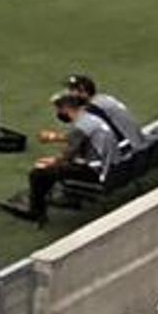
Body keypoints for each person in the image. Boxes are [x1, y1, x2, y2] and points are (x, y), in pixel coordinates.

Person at [30, 87, 123, 221]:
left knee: (38, 172)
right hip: (114, 167)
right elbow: (78, 140)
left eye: (59, 109)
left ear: (66, 108)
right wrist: (55, 138)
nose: (58, 113)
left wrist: (53, 161)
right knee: (59, 167)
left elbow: (68, 155)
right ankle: (65, 195)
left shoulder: (81, 126)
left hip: (98, 173)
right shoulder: (91, 119)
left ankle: (36, 211)